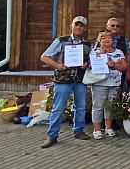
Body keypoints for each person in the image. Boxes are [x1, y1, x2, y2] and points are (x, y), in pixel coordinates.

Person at [39, 16, 92, 148]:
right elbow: (44, 57)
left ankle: (79, 131)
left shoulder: (88, 44)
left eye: (81, 26)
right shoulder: (61, 41)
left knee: (80, 107)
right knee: (58, 108)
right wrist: (57, 65)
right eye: (76, 25)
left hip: (80, 79)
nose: (79, 27)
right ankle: (52, 135)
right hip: (63, 79)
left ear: (85, 28)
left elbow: (92, 60)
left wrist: (87, 64)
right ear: (71, 26)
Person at [90, 31, 127, 139]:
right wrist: (101, 56)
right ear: (99, 40)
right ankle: (97, 130)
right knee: (98, 106)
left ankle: (108, 128)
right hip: (99, 83)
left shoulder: (118, 52)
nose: (107, 40)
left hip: (114, 83)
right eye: (104, 38)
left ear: (113, 40)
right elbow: (91, 66)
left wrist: (114, 64)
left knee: (110, 106)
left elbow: (124, 66)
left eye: (109, 38)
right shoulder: (94, 52)